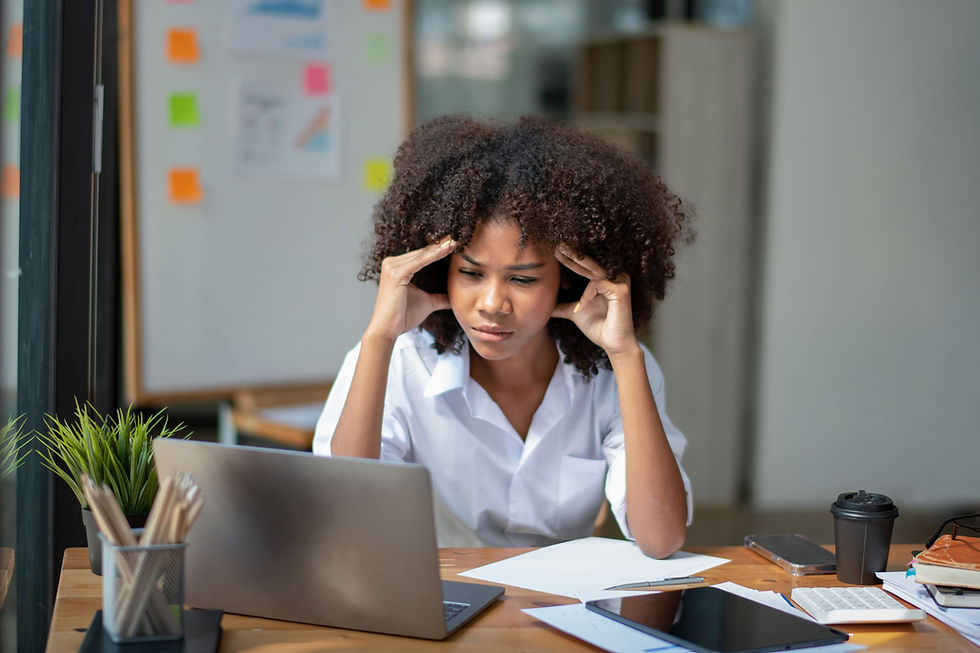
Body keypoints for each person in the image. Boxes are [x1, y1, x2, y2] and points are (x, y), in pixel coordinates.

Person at [313, 115, 694, 558]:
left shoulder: (616, 371)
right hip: (439, 599)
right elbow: (350, 517)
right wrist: (379, 337)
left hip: (560, 608)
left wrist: (626, 355)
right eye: (471, 273)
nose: (493, 303)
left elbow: (662, 538)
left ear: (568, 281)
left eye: (523, 279)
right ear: (441, 271)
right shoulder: (402, 360)